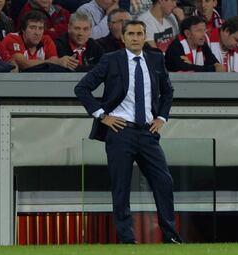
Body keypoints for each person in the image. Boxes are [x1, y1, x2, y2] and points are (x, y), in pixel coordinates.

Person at [74, 19, 182, 244]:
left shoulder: (155, 59)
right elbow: (81, 88)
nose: (135, 38)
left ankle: (171, 237)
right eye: (130, 34)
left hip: (147, 133)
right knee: (121, 187)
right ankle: (127, 241)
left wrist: (162, 117)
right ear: (123, 38)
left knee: (164, 182)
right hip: (120, 132)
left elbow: (168, 91)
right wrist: (102, 116)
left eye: (139, 33)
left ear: (145, 36)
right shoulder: (111, 60)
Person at [3, 10, 78, 71]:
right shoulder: (12, 38)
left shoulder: (46, 40)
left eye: (40, 28)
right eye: (32, 28)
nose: (37, 33)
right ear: (23, 29)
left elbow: (53, 62)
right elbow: (24, 64)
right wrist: (57, 62)